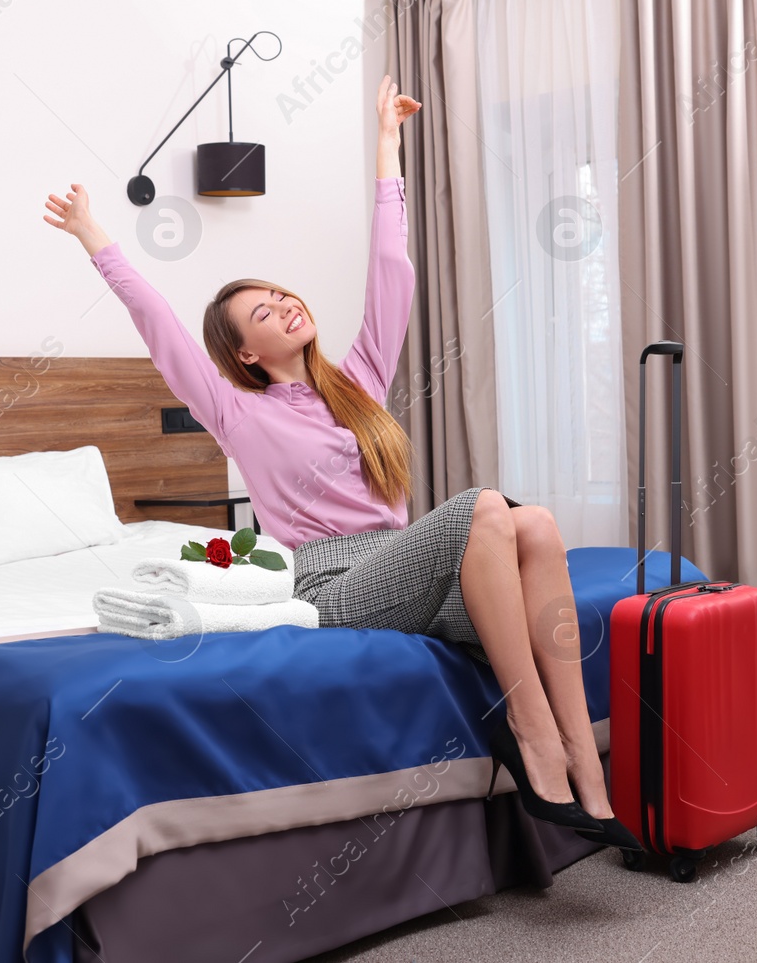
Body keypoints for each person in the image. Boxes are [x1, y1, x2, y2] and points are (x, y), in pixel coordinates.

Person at [42, 74, 640, 851]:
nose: (285, 304)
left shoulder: (355, 381)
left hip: (408, 566)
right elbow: (158, 324)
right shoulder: (236, 410)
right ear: (246, 354)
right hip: (332, 578)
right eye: (263, 312)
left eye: (281, 294)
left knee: (538, 526)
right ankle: (533, 741)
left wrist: (387, 148)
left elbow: (393, 272)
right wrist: (97, 238)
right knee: (490, 507)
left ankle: (584, 769)